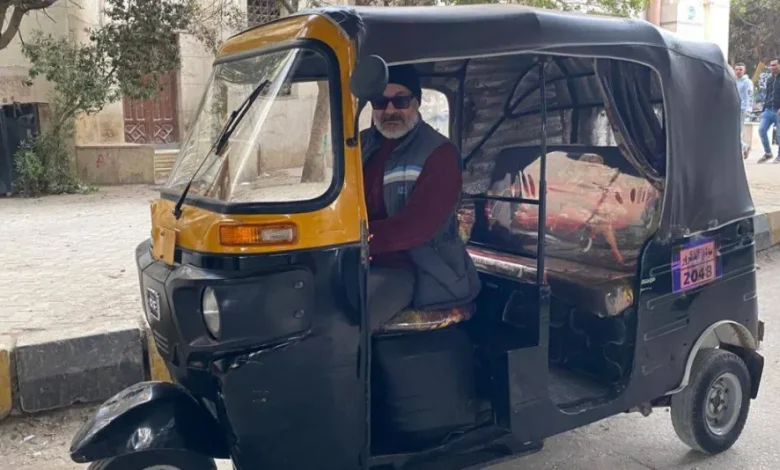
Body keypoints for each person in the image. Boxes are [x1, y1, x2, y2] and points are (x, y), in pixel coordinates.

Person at [359, 64, 481, 332]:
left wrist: (355, 242)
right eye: (381, 102)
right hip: (358, 260)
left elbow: (416, 227)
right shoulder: (359, 144)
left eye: (401, 100)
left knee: (350, 319)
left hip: (412, 267)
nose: (390, 110)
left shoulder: (439, 153)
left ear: (416, 102)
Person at [757, 58, 780, 163]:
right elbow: (768, 95)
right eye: (771, 65)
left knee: (779, 135)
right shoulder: (770, 79)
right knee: (761, 130)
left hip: (778, 111)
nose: (772, 67)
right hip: (768, 110)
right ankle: (768, 153)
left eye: (774, 65)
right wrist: (764, 109)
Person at [734, 63, 754, 159]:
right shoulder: (734, 81)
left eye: (740, 69)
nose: (738, 71)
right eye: (737, 69)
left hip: (742, 110)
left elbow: (749, 96)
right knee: (733, 132)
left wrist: (748, 110)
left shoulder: (747, 82)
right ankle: (744, 146)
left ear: (744, 70)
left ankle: (744, 147)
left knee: (736, 132)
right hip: (734, 109)